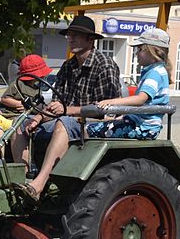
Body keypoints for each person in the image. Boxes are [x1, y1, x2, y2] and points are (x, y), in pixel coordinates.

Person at [10, 16, 121, 201]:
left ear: (90, 39)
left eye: (77, 35)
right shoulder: (68, 66)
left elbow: (106, 109)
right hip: (69, 120)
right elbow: (55, 105)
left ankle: (38, 185)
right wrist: (38, 118)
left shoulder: (105, 65)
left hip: (97, 124)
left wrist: (66, 110)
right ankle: (24, 181)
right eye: (69, 35)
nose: (71, 39)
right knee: (19, 124)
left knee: (64, 123)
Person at [86, 27, 171, 139]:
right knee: (99, 125)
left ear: (153, 51)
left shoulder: (154, 73)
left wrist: (111, 102)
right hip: (142, 123)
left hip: (142, 127)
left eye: (140, 49)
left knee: (87, 130)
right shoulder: (158, 71)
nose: (136, 53)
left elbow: (141, 99)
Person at [0, 54, 53, 119]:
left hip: (28, 115)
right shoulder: (18, 84)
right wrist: (20, 104)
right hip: (13, 115)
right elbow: (4, 99)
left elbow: (39, 106)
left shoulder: (37, 89)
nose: (43, 76)